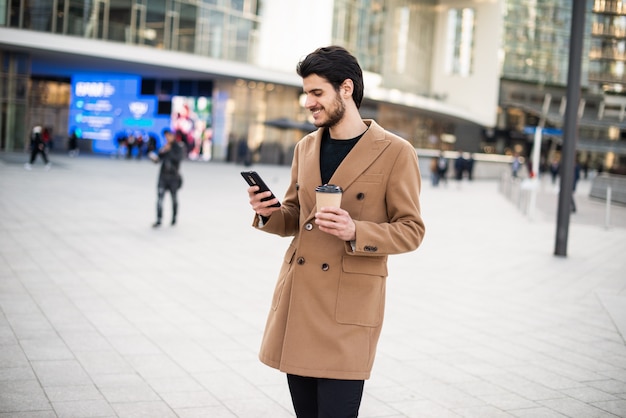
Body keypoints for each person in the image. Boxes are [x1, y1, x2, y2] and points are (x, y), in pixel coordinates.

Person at [244, 46, 426, 417]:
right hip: (300, 303)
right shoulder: (306, 148)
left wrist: (354, 229)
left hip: (348, 310)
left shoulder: (395, 152)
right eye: (306, 93)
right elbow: (295, 216)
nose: (308, 102)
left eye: (316, 93)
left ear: (346, 89)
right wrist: (268, 213)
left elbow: (411, 230)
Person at [150, 128, 185, 227]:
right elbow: (158, 161)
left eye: (168, 136)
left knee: (174, 199)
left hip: (173, 177)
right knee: (160, 199)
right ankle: (159, 219)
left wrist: (169, 150)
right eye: (165, 136)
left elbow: (178, 159)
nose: (167, 138)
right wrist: (156, 156)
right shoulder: (165, 147)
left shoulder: (178, 147)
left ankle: (174, 219)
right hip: (163, 177)